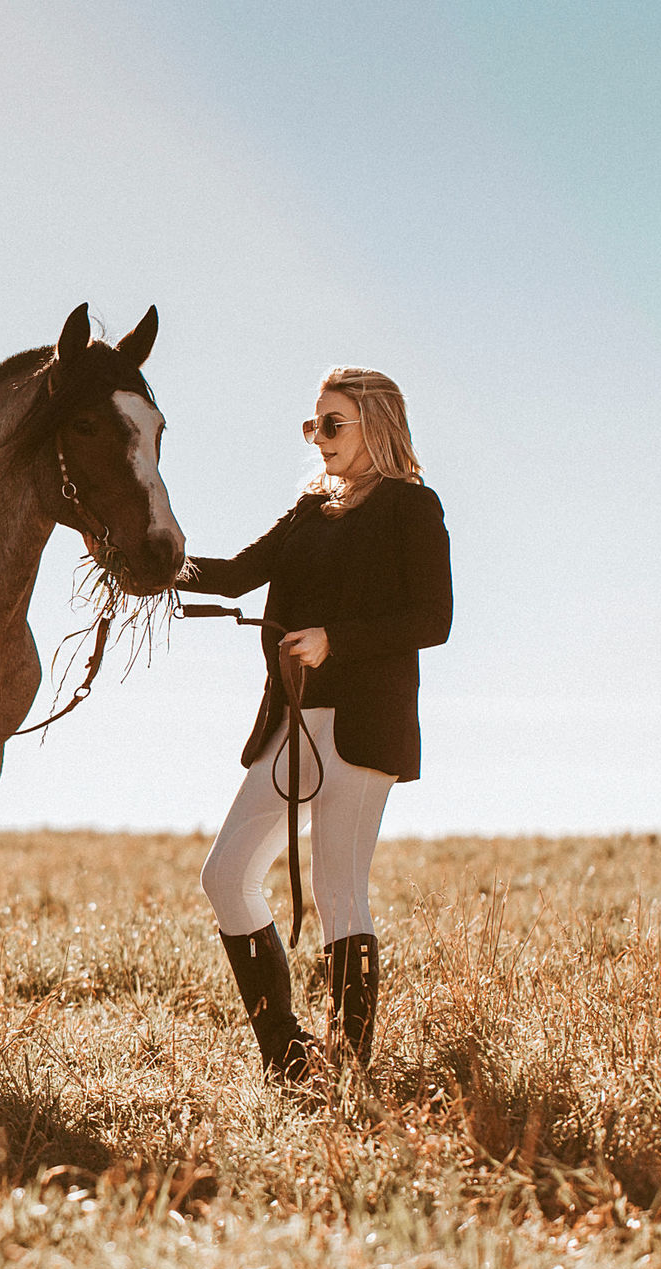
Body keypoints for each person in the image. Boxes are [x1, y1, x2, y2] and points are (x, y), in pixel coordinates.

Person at [181, 367, 452, 1080]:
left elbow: (434, 619)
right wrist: (147, 563)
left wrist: (337, 637)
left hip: (365, 725)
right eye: (314, 426)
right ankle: (288, 1053)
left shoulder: (411, 508)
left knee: (339, 891)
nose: (319, 438)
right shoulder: (309, 508)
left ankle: (350, 1071)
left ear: (376, 425)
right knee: (226, 873)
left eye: (332, 423)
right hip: (291, 722)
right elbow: (239, 572)